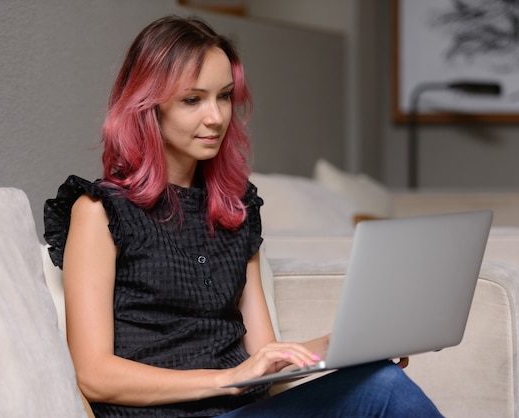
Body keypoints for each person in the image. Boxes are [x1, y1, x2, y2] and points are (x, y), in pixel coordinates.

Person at [44, 15, 444, 417]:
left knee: (378, 377)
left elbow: (264, 359)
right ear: (148, 107)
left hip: (242, 410)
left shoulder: (236, 209)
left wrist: (355, 345)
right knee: (385, 390)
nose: (216, 117)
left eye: (224, 97)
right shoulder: (99, 211)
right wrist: (226, 379)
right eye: (192, 100)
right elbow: (93, 374)